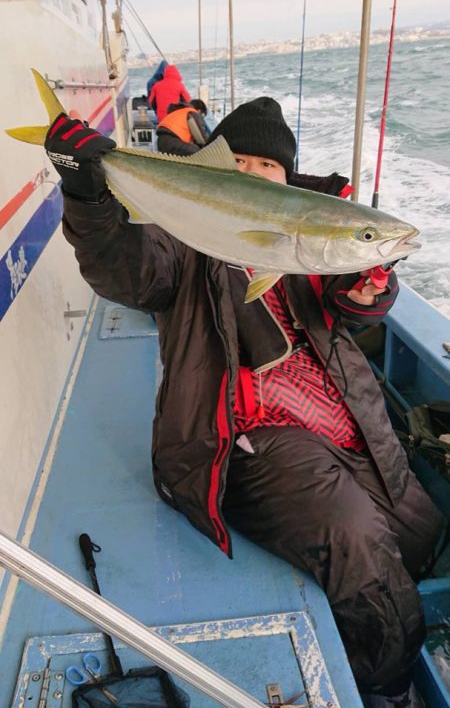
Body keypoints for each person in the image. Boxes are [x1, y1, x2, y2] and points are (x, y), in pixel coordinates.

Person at [44, 97, 444, 708]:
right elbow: (129, 271)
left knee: (417, 526)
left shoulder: (313, 233)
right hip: (245, 431)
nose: (257, 173)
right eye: (244, 159)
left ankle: (380, 630)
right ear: (220, 163)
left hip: (342, 416)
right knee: (353, 536)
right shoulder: (186, 233)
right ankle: (387, 688)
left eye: (270, 165)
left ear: (289, 178)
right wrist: (89, 196)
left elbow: (348, 291)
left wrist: (368, 293)